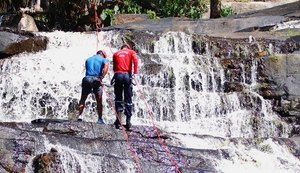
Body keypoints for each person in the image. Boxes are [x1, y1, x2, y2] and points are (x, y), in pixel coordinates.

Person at [78, 50, 109, 124]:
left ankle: (80, 115)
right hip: (96, 79)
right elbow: (106, 67)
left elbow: (87, 69)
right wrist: (102, 76)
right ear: (103, 55)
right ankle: (100, 119)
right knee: (99, 100)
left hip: (87, 79)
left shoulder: (88, 59)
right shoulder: (104, 59)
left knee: (83, 98)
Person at [112, 44, 138, 130]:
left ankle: (118, 121)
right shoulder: (131, 52)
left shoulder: (116, 53)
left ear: (121, 48)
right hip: (127, 75)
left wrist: (114, 76)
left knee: (118, 97)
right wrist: (135, 73)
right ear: (128, 48)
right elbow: (135, 60)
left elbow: (114, 67)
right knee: (128, 98)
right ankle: (128, 122)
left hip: (118, 75)